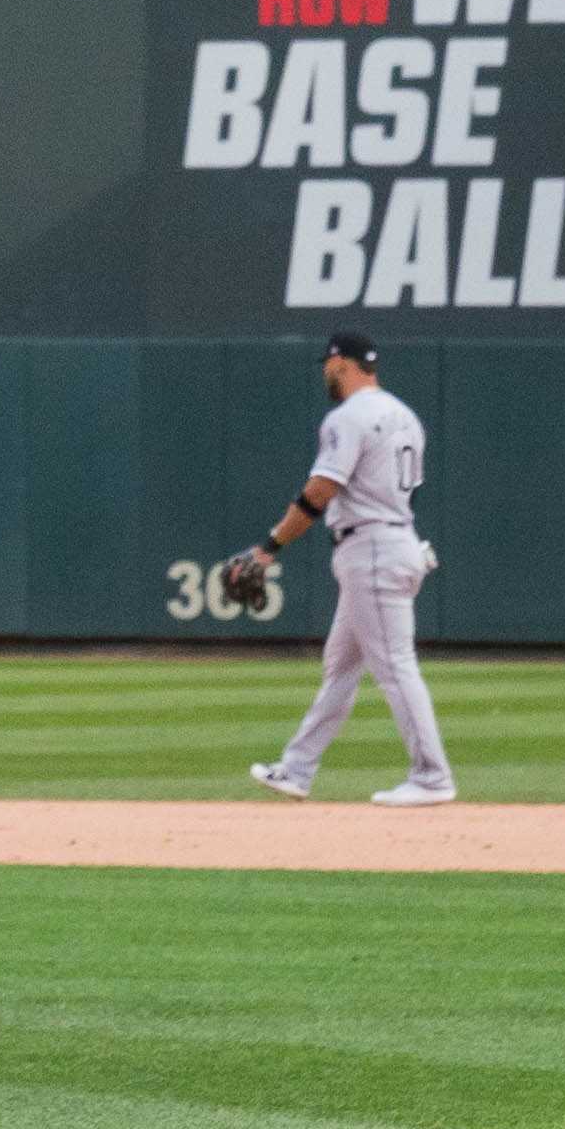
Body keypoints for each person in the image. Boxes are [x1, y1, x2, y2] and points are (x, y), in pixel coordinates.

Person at [231, 329, 450, 806]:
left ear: (343, 364)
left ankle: (433, 777)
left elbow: (321, 490)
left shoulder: (348, 417)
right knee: (341, 668)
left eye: (328, 365)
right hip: (394, 540)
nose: (326, 374)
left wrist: (269, 547)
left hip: (371, 548)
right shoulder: (404, 415)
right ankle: (296, 768)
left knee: (395, 666)